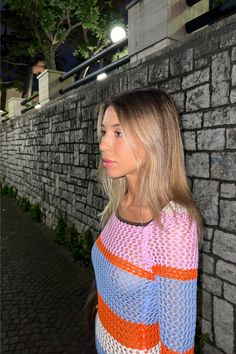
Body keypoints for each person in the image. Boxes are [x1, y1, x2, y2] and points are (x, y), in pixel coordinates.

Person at [89, 88, 202, 354]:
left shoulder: (173, 224)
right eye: (104, 131)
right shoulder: (122, 202)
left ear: (154, 139)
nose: (104, 143)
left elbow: (178, 345)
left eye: (118, 132)